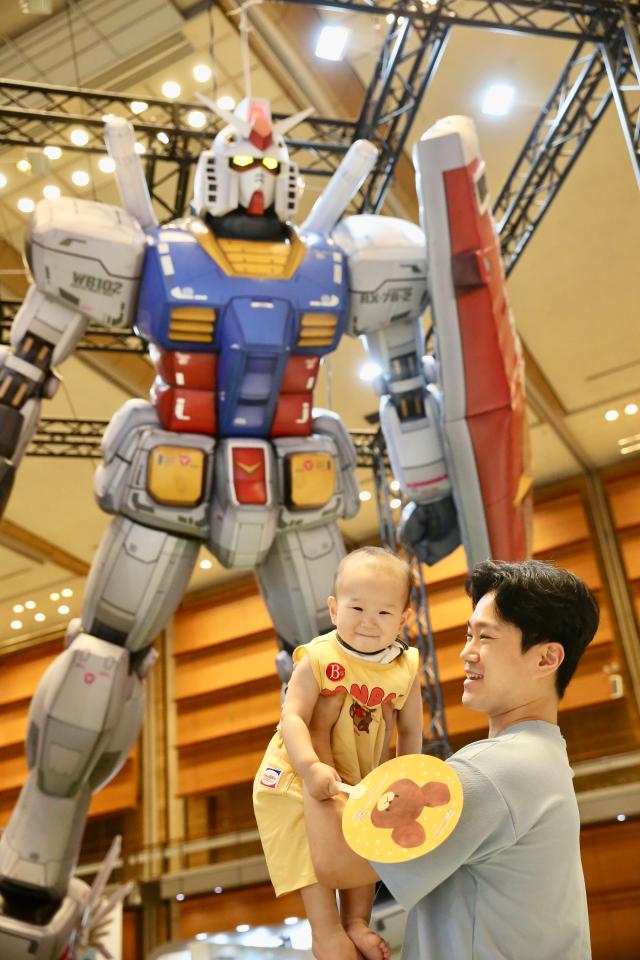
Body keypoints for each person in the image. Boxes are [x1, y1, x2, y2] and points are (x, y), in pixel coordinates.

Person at [304, 558, 600, 960]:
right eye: (468, 634)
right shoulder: (540, 758)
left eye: (486, 638)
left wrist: (313, 736)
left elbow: (336, 860)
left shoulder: (496, 771)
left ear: (546, 659)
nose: (466, 652)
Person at [253, 546, 424, 960]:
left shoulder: (405, 666)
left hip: (359, 776)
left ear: (403, 619)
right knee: (312, 845)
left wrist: (406, 774)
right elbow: (292, 715)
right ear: (333, 609)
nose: (368, 622)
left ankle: (357, 921)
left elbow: (411, 726)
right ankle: (325, 930)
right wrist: (310, 767)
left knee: (364, 839)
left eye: (384, 613)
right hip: (296, 774)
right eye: (357, 608)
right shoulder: (318, 657)